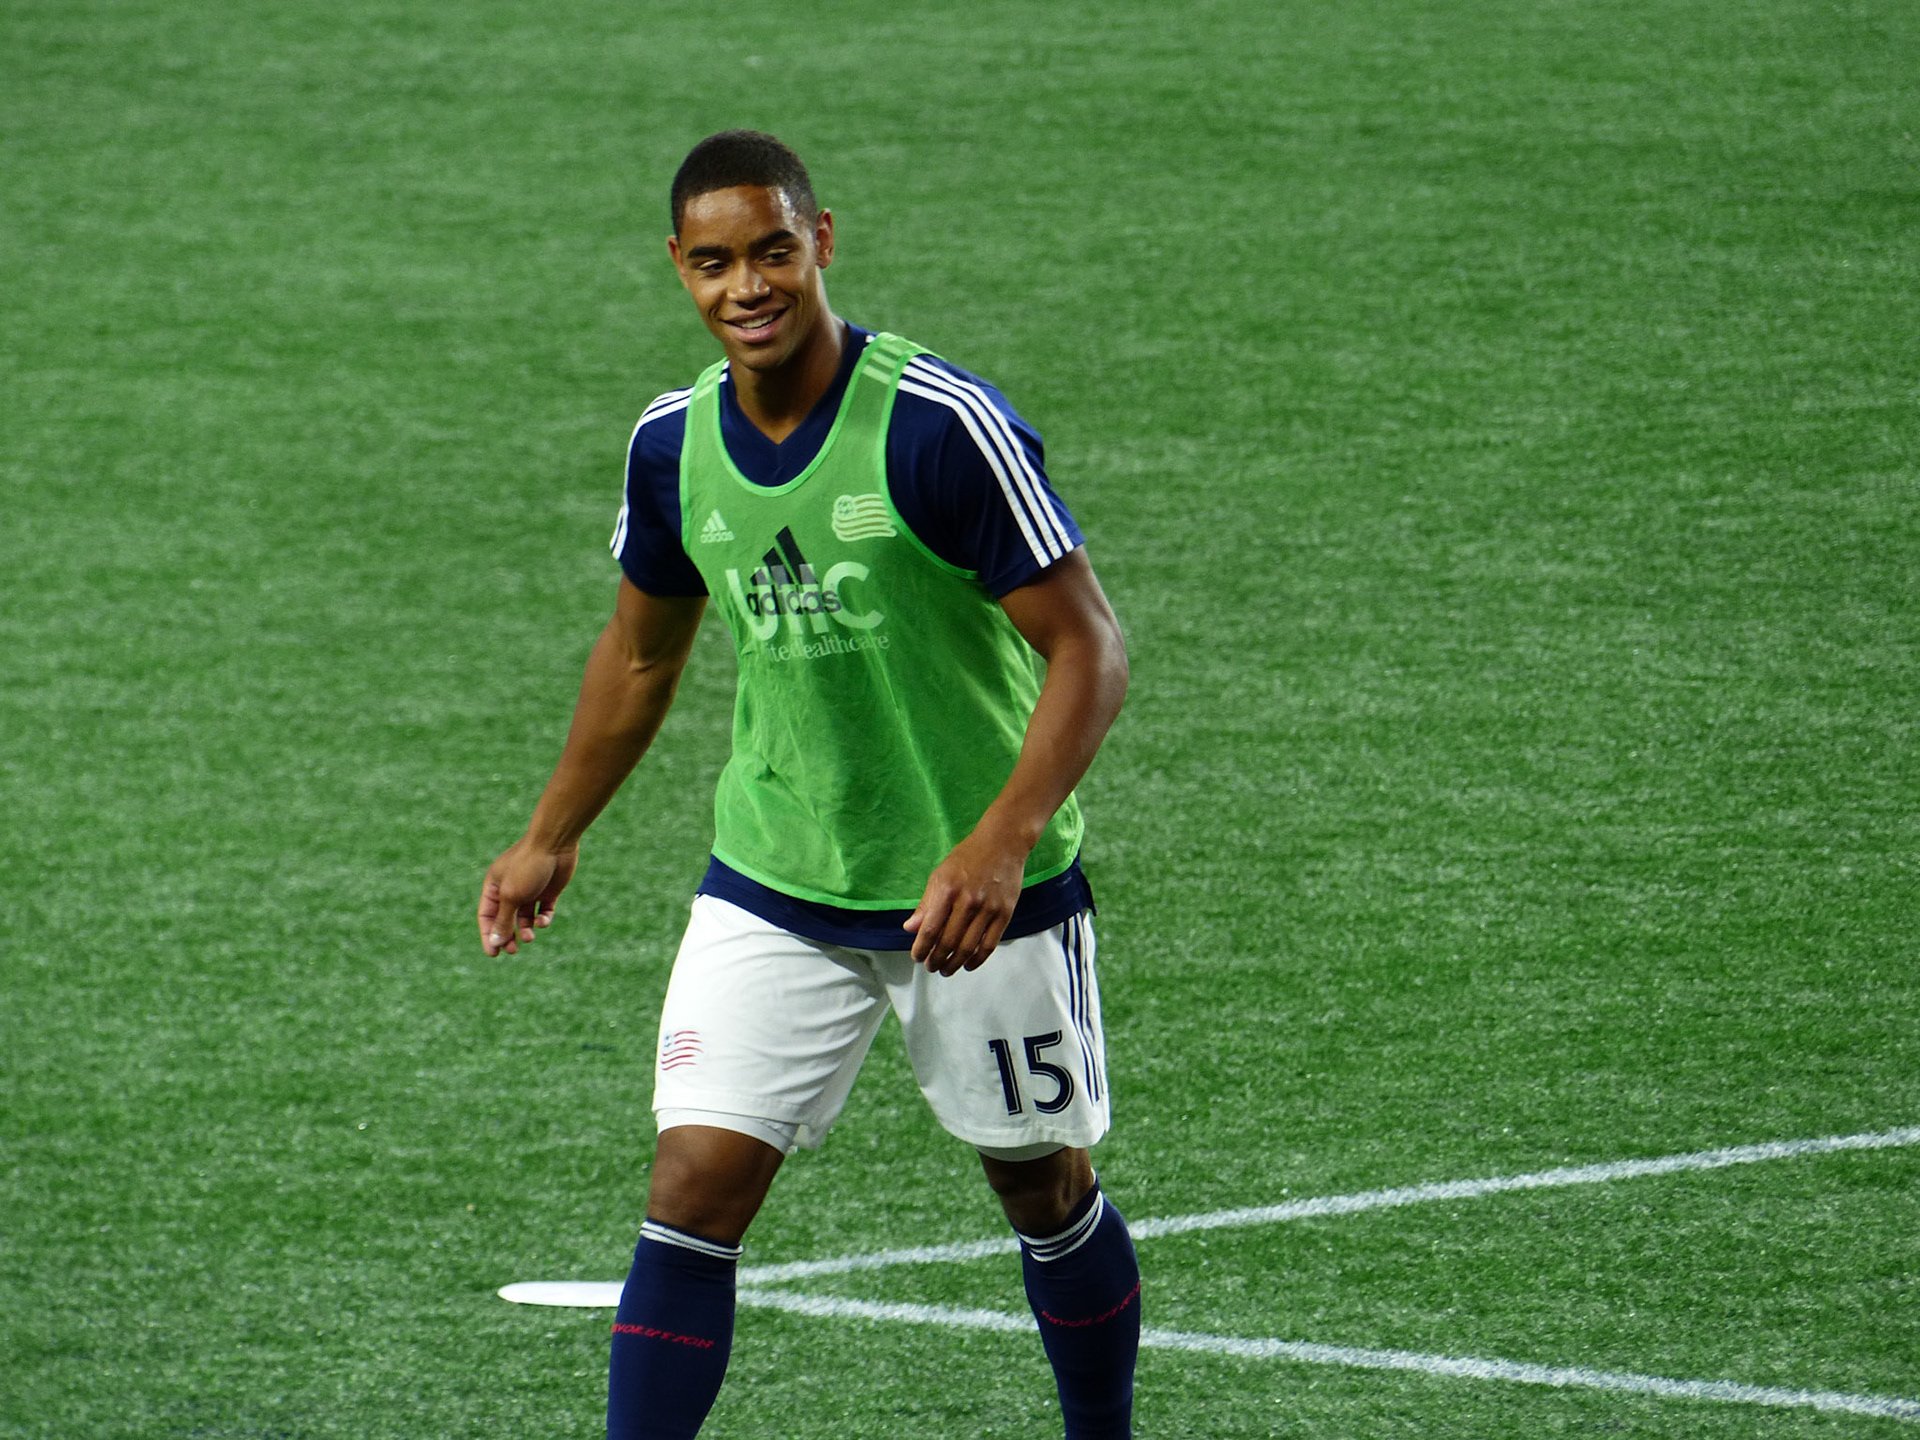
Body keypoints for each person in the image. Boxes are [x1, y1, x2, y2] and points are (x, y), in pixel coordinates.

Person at [477, 130, 1138, 1440]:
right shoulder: (672, 446)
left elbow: (1092, 648)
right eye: (714, 263)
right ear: (680, 268)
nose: (748, 287)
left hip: (977, 890)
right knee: (691, 1192)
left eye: (773, 252)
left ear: (820, 242)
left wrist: (1001, 840)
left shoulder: (939, 428)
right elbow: (641, 653)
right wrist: (551, 833)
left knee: (1042, 1192)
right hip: (777, 876)